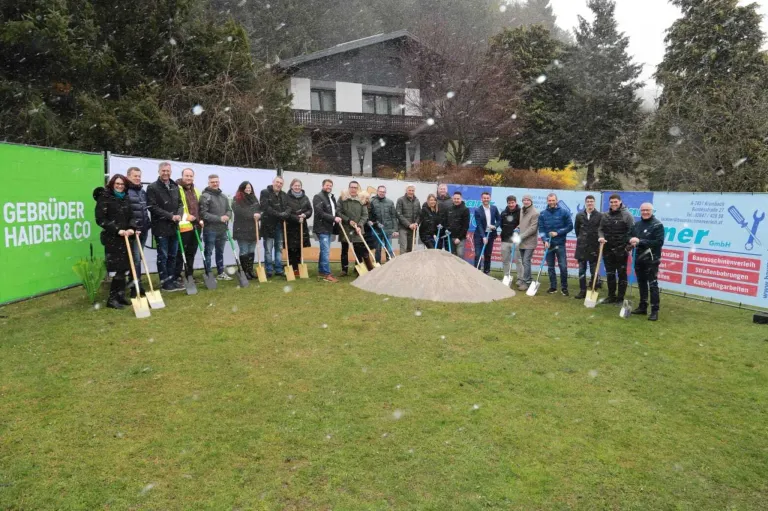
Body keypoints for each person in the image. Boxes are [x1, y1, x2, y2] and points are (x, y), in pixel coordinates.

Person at [94, 174, 137, 309]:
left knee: (124, 268)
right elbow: (101, 219)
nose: (119, 186)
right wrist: (117, 230)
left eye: (122, 184)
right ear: (112, 184)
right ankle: (112, 299)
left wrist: (131, 228)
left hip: (126, 237)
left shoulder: (126, 198)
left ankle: (120, 295)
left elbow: (131, 216)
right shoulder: (105, 198)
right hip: (113, 239)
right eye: (117, 184)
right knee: (118, 268)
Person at [146, 161, 183, 291]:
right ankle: (165, 282)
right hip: (161, 227)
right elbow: (152, 207)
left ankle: (172, 279)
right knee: (163, 256)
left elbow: (180, 204)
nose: (166, 173)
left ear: (171, 172)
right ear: (159, 171)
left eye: (168, 171)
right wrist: (170, 216)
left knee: (173, 255)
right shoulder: (152, 187)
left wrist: (178, 215)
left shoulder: (175, 186)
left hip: (174, 227)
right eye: (163, 171)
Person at [629, 203, 665, 321]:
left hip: (652, 259)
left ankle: (655, 311)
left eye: (647, 210)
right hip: (639, 258)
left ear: (652, 211)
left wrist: (640, 241)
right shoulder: (637, 224)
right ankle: (642, 306)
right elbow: (629, 237)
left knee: (653, 284)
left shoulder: (657, 225)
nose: (645, 212)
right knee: (641, 283)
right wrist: (631, 241)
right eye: (643, 210)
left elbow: (658, 242)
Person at [598, 193, 635, 304]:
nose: (613, 204)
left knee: (622, 274)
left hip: (621, 249)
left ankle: (620, 298)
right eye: (611, 202)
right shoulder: (605, 215)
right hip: (608, 249)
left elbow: (632, 231)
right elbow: (600, 229)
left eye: (615, 202)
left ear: (620, 202)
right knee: (610, 273)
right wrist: (601, 237)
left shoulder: (627, 215)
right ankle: (611, 296)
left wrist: (628, 247)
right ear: (609, 203)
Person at [538, 193, 573, 296]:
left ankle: (564, 288)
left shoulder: (564, 212)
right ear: (547, 201)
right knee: (551, 267)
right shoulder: (543, 214)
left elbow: (570, 226)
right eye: (550, 200)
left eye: (553, 200)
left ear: (556, 200)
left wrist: (558, 232)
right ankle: (553, 287)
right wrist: (545, 240)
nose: (551, 202)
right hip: (549, 245)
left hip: (560, 244)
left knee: (563, 266)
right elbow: (541, 229)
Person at [199, 174, 233, 280]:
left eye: (216, 181)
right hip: (210, 229)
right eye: (212, 182)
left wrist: (227, 216)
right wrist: (219, 218)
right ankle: (208, 273)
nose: (215, 183)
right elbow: (203, 214)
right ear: (209, 183)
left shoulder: (223, 196)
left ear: (219, 182)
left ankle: (220, 272)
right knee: (208, 252)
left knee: (220, 252)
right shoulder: (204, 196)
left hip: (222, 229)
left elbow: (229, 209)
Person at [174, 168, 202, 285]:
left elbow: (199, 206)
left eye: (191, 176)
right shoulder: (176, 188)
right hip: (183, 225)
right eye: (187, 176)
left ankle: (189, 275)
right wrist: (185, 216)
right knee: (181, 253)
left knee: (191, 252)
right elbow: (176, 206)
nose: (189, 178)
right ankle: (177, 276)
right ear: (182, 176)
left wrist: (201, 219)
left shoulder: (196, 189)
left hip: (196, 225)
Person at [125, 167, 149, 298]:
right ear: (128, 176)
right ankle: (136, 285)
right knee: (136, 259)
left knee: (138, 258)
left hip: (143, 229)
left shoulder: (141, 191)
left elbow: (143, 210)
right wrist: (134, 227)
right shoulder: (126, 191)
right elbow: (127, 213)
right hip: (134, 231)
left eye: (139, 176)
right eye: (135, 176)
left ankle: (133, 281)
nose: (137, 178)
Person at [339, 181, 372, 274]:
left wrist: (359, 225)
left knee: (358, 250)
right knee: (344, 250)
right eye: (352, 187)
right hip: (345, 228)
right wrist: (348, 220)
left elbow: (365, 215)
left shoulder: (362, 199)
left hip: (357, 229)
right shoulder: (342, 198)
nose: (353, 189)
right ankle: (344, 269)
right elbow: (338, 212)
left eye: (355, 187)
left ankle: (358, 268)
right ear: (349, 188)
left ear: (358, 189)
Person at [573, 195, 603, 300]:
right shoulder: (579, 215)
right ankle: (582, 291)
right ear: (585, 203)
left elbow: (601, 230)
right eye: (588, 201)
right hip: (581, 247)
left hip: (594, 247)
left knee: (593, 271)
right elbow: (577, 230)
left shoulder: (600, 216)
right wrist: (582, 239)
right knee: (581, 270)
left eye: (591, 201)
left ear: (594, 203)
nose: (590, 203)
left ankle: (593, 289)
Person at [259, 176, 289, 278]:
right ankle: (269, 270)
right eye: (277, 182)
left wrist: (285, 214)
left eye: (281, 183)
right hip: (268, 225)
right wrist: (279, 214)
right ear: (273, 182)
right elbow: (266, 208)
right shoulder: (265, 193)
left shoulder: (284, 195)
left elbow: (289, 207)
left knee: (279, 249)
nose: (279, 184)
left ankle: (279, 269)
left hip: (280, 226)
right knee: (268, 249)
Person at [312, 179, 340, 282]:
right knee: (326, 251)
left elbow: (334, 211)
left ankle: (321, 271)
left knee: (324, 251)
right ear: (323, 185)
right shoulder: (318, 197)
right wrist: (333, 218)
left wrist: (337, 217)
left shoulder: (331, 197)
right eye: (327, 185)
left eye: (330, 186)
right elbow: (320, 213)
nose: (329, 187)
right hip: (321, 228)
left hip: (329, 228)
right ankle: (327, 274)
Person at [232, 181, 261, 280]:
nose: (248, 189)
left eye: (250, 188)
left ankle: (250, 270)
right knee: (244, 250)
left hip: (253, 229)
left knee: (251, 251)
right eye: (246, 188)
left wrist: (258, 215)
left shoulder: (254, 198)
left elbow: (258, 209)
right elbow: (239, 211)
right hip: (242, 229)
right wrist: (252, 215)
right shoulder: (237, 199)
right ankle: (245, 271)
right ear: (242, 188)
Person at [285, 178, 313, 277]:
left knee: (299, 247)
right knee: (292, 248)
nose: (297, 187)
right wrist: (296, 218)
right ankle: (293, 268)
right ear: (291, 186)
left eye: (299, 185)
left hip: (302, 226)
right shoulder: (286, 197)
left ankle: (299, 267)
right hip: (291, 227)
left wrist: (305, 215)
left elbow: (310, 210)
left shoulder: (305, 197)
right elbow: (286, 212)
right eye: (295, 185)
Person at [473, 191, 501, 274]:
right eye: (484, 198)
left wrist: (495, 226)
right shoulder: (478, 210)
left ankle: (486, 272)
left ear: (490, 198)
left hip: (491, 234)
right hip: (479, 235)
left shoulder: (494, 208)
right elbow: (479, 224)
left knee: (488, 254)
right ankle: (476, 271)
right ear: (481, 199)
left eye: (487, 198)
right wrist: (483, 236)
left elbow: (499, 220)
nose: (486, 199)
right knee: (478, 254)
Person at [516, 195, 539, 291]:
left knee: (526, 261)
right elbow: (523, 223)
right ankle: (528, 279)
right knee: (524, 261)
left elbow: (533, 228)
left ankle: (525, 282)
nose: (526, 201)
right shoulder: (522, 210)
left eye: (528, 200)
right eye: (524, 200)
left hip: (530, 241)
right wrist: (518, 227)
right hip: (522, 241)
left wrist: (521, 236)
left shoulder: (535, 212)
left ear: (531, 201)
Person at [369, 185, 397, 263]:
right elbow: (369, 214)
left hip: (388, 229)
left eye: (383, 192)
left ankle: (389, 264)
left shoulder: (390, 202)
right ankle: (378, 265)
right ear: (377, 192)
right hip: (376, 229)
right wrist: (371, 222)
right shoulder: (372, 201)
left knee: (389, 249)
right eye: (380, 191)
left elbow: (394, 216)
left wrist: (395, 229)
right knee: (377, 249)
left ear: (385, 193)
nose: (382, 193)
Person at [500, 195, 521, 279]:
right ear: (507, 203)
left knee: (518, 260)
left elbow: (523, 224)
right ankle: (506, 277)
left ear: (515, 202)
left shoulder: (521, 212)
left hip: (516, 240)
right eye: (509, 203)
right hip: (505, 240)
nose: (511, 204)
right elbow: (501, 225)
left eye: (512, 203)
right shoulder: (503, 213)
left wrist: (517, 230)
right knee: (505, 260)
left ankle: (520, 279)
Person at [445, 191, 470, 259]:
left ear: (461, 199)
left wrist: (459, 238)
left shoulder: (465, 210)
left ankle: (460, 270)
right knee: (450, 257)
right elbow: (446, 222)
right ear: (452, 199)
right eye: (455, 199)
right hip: (450, 237)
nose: (456, 200)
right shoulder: (449, 209)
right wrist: (447, 230)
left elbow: (466, 226)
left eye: (458, 199)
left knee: (460, 256)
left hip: (460, 238)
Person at [396, 185, 420, 253]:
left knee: (410, 248)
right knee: (403, 248)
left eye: (413, 190)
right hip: (403, 228)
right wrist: (409, 225)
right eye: (409, 190)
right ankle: (402, 263)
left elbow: (419, 214)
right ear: (406, 191)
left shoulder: (417, 201)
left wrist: (416, 223)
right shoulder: (400, 200)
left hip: (413, 229)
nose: (411, 192)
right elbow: (399, 214)